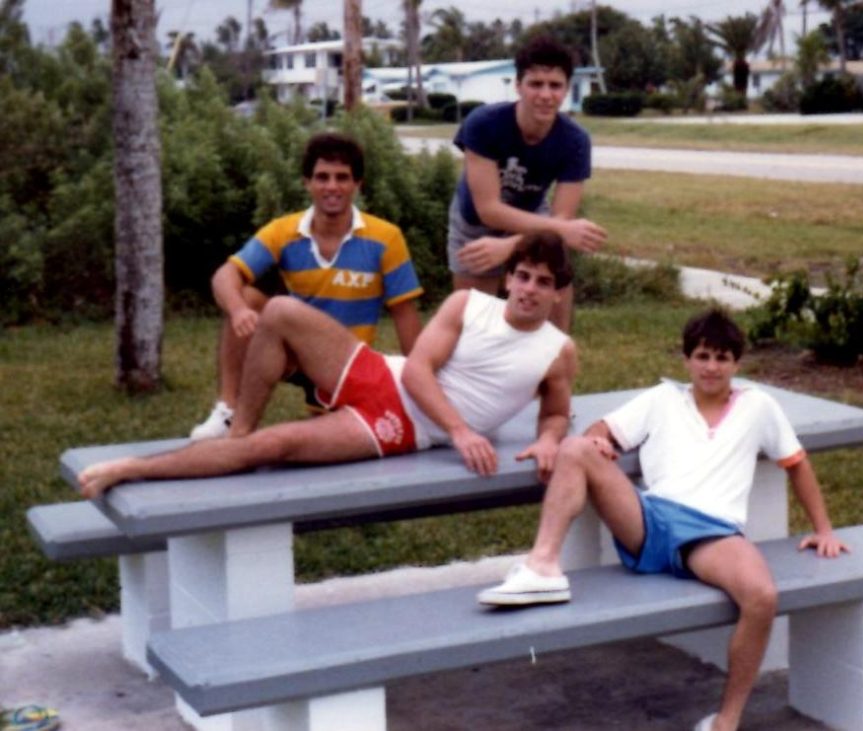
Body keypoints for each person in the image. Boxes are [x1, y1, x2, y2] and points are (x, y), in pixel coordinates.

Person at [477, 308, 849, 731]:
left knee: (762, 595)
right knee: (576, 448)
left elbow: (796, 463)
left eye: (723, 358)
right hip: (649, 520)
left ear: (737, 364)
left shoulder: (758, 406)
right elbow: (604, 427)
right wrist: (600, 439)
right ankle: (542, 566)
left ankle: (726, 720)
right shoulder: (663, 399)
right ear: (687, 359)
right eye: (703, 356)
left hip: (712, 534)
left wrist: (823, 529)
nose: (711, 367)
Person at [78, 233, 578, 498]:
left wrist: (549, 438)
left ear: (558, 293)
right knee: (278, 310)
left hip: (402, 426)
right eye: (523, 277)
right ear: (509, 278)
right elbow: (419, 370)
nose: (530, 290)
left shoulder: (557, 350)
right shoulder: (467, 303)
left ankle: (133, 470)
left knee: (279, 445)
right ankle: (239, 429)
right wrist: (464, 432)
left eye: (543, 282)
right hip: (385, 373)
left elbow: (556, 412)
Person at [190, 132, 423, 440]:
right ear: (307, 183)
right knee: (244, 295)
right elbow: (225, 275)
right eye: (322, 177)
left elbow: (405, 316)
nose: (332, 187)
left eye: (342, 178)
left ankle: (325, 404)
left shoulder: (386, 238)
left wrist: (421, 386)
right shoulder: (284, 231)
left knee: (330, 438)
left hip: (348, 360)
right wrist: (237, 311)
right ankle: (228, 412)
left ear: (358, 185)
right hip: (295, 354)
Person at [447, 36, 607, 331]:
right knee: (472, 324)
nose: (546, 95)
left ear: (567, 89)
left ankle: (552, 372)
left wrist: (510, 245)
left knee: (552, 316)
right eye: (536, 84)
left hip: (534, 216)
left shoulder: (575, 140)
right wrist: (560, 230)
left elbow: (560, 221)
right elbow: (489, 209)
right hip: (475, 220)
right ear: (518, 85)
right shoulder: (483, 123)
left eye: (555, 85)